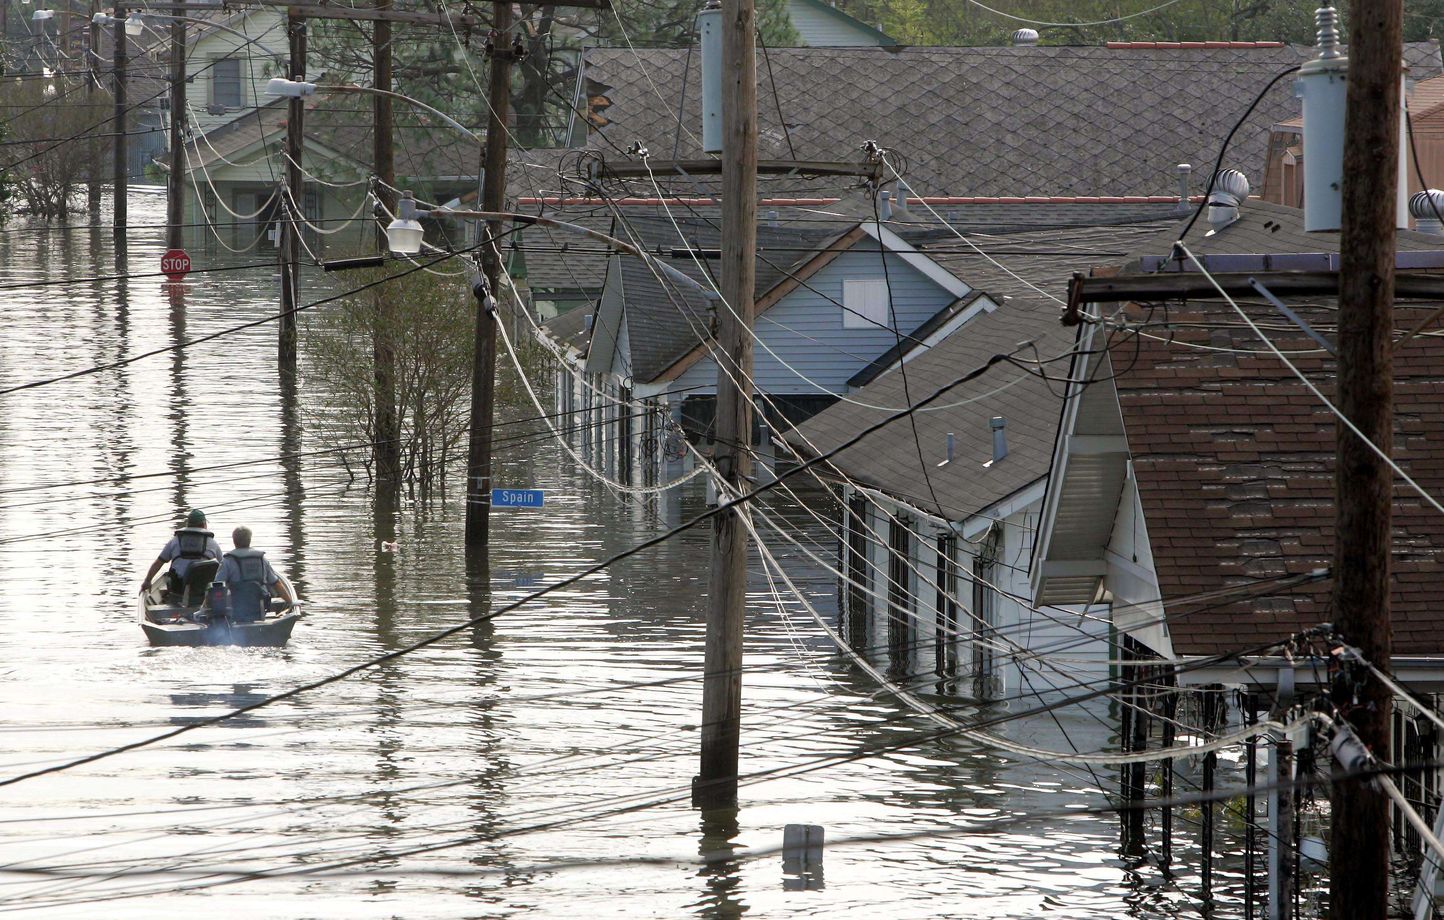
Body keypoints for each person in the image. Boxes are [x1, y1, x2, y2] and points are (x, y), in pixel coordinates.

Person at [217, 526, 293, 621]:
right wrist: (291, 603)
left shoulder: (227, 561)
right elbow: (276, 583)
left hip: (236, 609)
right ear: (250, 540)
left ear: (234, 541)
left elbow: (217, 586)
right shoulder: (262, 560)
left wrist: (207, 608)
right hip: (259, 607)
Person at [141, 509, 222, 596]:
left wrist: (147, 581)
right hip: (203, 589)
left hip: (178, 589)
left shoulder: (175, 541)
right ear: (203, 524)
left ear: (188, 524)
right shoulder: (213, 544)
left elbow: (158, 563)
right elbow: (222, 567)